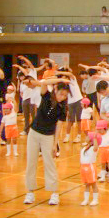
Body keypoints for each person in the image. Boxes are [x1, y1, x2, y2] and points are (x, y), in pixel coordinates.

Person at [24, 78, 70, 206]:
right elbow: (44, 82)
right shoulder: (46, 96)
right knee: (31, 163)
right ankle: (30, 192)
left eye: (65, 95)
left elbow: (59, 127)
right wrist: (60, 79)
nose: (62, 97)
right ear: (55, 90)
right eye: (61, 93)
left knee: (49, 164)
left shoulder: (62, 108)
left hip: (48, 136)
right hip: (34, 133)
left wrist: (55, 144)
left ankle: (54, 194)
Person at [80, 132, 100, 206]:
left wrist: (95, 139)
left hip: (90, 167)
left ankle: (95, 200)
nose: (86, 137)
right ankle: (86, 200)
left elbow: (96, 147)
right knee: (87, 184)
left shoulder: (94, 148)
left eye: (88, 136)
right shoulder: (85, 147)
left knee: (93, 184)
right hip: (83, 167)